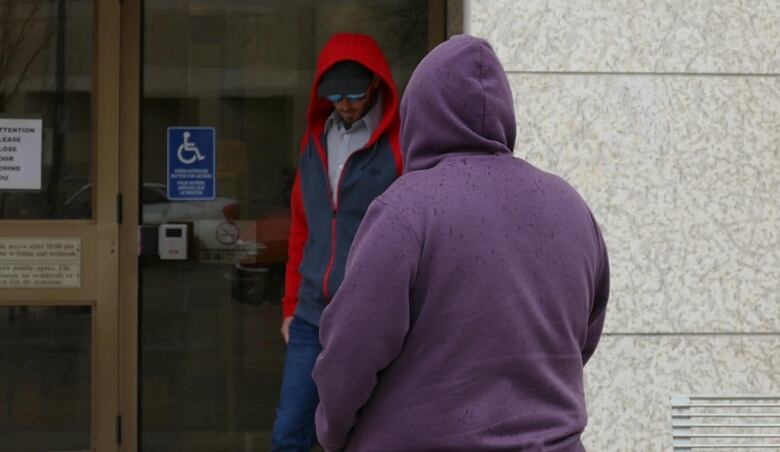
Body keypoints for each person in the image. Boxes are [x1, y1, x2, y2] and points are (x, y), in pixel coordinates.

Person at [312, 35, 610, 451]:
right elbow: (582, 337)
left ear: (420, 114)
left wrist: (333, 429)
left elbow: (351, 349)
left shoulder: (406, 209)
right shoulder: (572, 207)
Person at [271, 33, 402, 451]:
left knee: (366, 437)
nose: (344, 104)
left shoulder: (400, 146)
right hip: (311, 317)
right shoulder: (314, 143)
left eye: (355, 93)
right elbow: (301, 230)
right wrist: (291, 307)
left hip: (371, 317)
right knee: (290, 435)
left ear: (376, 84)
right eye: (335, 95)